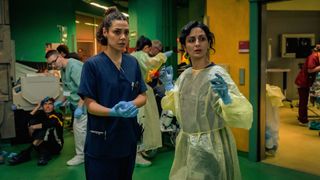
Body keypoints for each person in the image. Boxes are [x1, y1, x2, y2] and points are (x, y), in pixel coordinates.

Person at [160, 21, 253, 180]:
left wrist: (227, 99)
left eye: (202, 39)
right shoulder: (185, 75)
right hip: (186, 143)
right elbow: (176, 107)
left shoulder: (217, 73)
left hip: (212, 145)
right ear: (185, 46)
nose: (197, 44)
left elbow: (242, 113)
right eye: (191, 40)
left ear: (209, 43)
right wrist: (168, 86)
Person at [78, 7, 147, 180]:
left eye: (126, 33)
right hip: (102, 140)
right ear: (105, 32)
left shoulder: (132, 63)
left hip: (127, 138)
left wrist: (132, 104)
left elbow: (142, 95)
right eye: (117, 32)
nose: (123, 37)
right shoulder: (92, 65)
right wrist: (112, 112)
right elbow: (89, 103)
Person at [131, 36, 172, 166]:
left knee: (141, 122)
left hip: (137, 91)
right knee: (142, 122)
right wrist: (162, 56)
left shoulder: (133, 55)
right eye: (153, 48)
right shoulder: (141, 55)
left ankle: (140, 150)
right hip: (141, 92)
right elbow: (150, 63)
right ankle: (137, 154)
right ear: (147, 47)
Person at [45, 50, 87, 166]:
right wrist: (60, 102)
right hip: (77, 104)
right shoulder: (63, 70)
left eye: (53, 62)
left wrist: (79, 108)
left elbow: (85, 90)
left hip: (84, 103)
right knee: (83, 130)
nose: (53, 66)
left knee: (79, 129)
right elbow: (67, 90)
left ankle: (81, 156)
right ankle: (87, 153)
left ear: (59, 57)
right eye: (50, 64)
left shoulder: (74, 66)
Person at [8, 97, 64, 166]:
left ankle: (26, 154)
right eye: (45, 104)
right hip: (43, 144)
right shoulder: (41, 115)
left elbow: (50, 123)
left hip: (56, 146)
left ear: (53, 106)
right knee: (32, 122)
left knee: (46, 128)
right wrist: (37, 107)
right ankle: (44, 156)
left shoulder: (57, 115)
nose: (47, 106)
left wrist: (33, 127)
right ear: (42, 106)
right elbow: (27, 120)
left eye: (50, 104)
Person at [295, 43, 320, 126]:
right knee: (303, 101)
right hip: (303, 81)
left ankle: (303, 118)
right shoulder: (313, 57)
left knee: (304, 101)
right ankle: (302, 120)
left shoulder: (316, 56)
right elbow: (310, 70)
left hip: (307, 81)